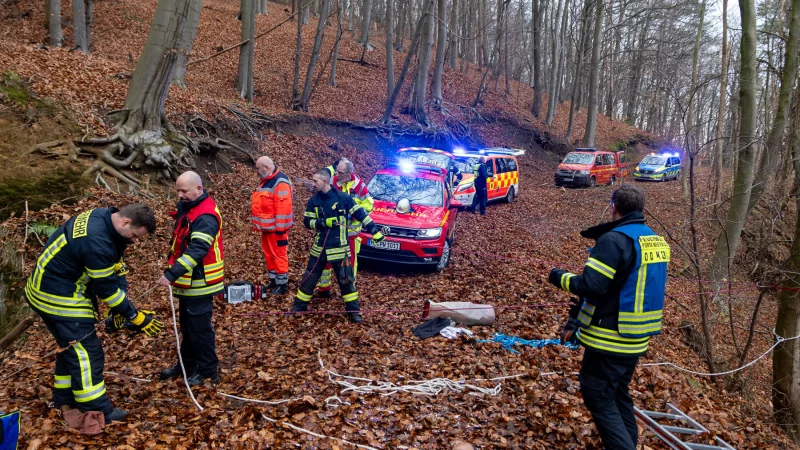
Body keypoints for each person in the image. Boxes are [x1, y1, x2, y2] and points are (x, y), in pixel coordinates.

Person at [547, 184, 669, 450]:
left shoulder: (613, 240)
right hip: (637, 338)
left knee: (597, 396)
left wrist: (559, 277)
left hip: (610, 339)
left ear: (613, 206)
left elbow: (591, 286)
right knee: (617, 394)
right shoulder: (655, 240)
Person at [24, 204, 161, 422]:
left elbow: (115, 265)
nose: (134, 241)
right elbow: (106, 290)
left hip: (46, 287)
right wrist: (135, 317)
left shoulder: (103, 217)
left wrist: (120, 300)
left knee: (69, 348)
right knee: (87, 353)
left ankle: (64, 398)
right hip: (58, 296)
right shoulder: (97, 243)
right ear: (126, 222)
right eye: (135, 235)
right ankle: (96, 409)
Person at [290, 169, 386, 323]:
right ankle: (298, 307)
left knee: (346, 281)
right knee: (309, 278)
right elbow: (307, 222)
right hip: (320, 248)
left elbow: (360, 213)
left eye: (315, 181)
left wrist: (374, 230)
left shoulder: (343, 198)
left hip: (340, 248)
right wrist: (322, 223)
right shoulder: (313, 201)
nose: (313, 184)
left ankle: (353, 312)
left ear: (325, 181)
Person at [158, 171, 225, 386]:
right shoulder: (190, 208)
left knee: (200, 330)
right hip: (189, 282)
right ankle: (186, 366)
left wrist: (171, 273)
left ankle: (207, 372)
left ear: (199, 189)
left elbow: (197, 249)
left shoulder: (205, 215)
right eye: (178, 190)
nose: (180, 195)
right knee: (188, 328)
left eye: (184, 191)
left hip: (201, 282)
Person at [314, 158, 374, 298]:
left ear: (349, 173)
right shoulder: (332, 182)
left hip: (350, 233)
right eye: (336, 171)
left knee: (349, 263)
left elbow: (369, 205)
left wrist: (354, 213)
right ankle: (324, 288)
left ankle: (348, 290)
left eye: (340, 172)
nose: (337, 175)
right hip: (332, 231)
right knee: (325, 260)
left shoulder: (359, 186)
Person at [251, 156, 294, 295]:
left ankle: (282, 284)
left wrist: (281, 231)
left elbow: (283, 208)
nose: (257, 171)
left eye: (258, 168)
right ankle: (274, 280)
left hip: (277, 229)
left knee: (279, 255)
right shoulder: (267, 181)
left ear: (266, 167)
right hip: (267, 228)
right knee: (269, 254)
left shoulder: (280, 182)